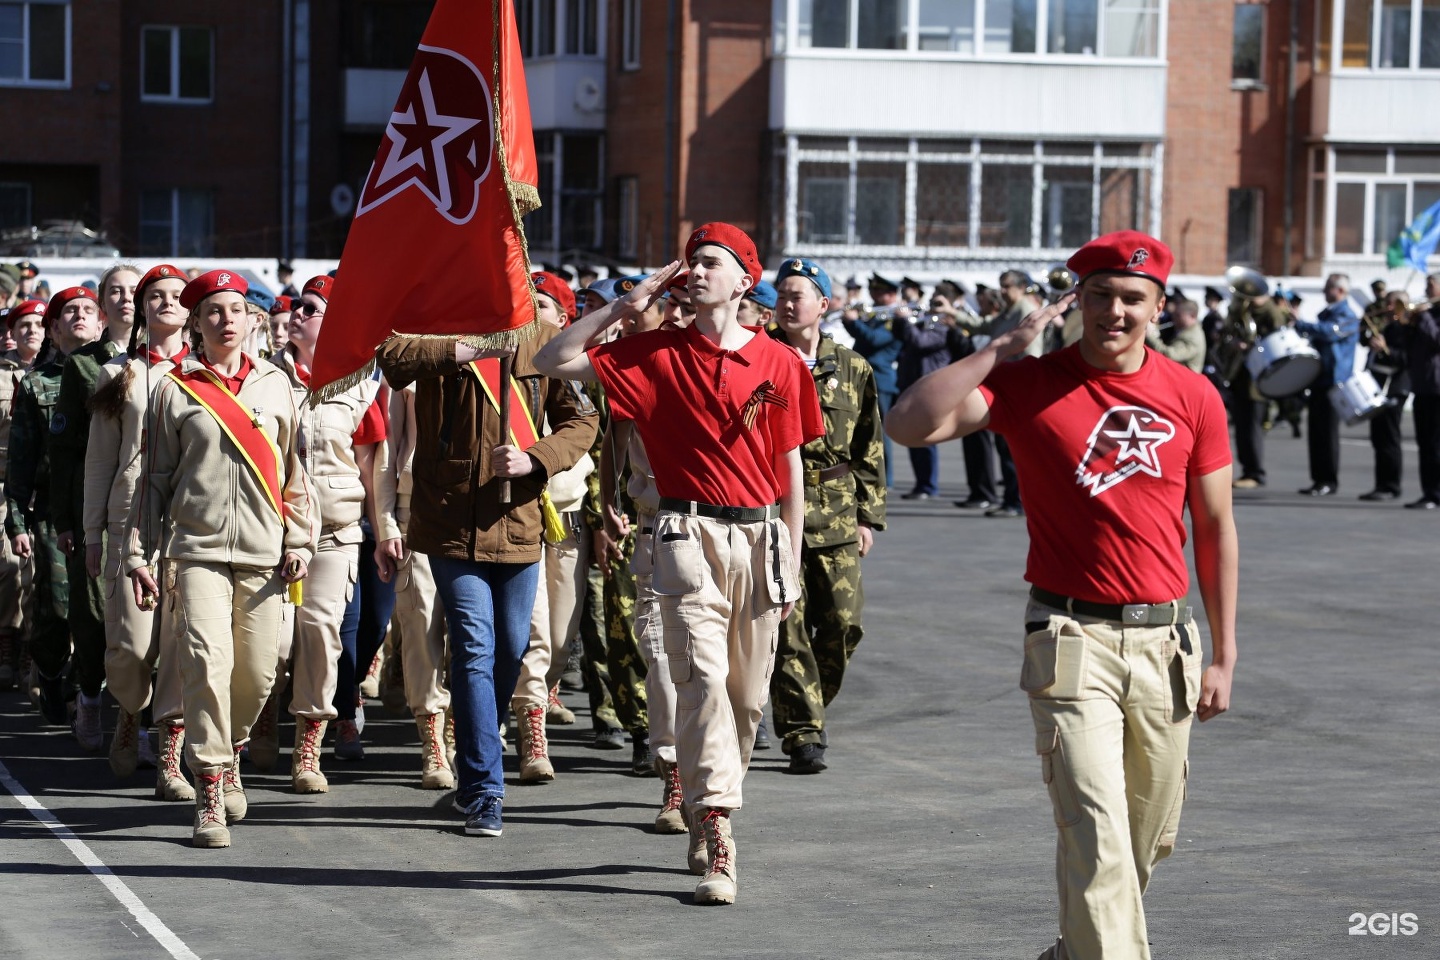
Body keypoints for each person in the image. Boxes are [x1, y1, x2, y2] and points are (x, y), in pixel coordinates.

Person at [886, 230, 1236, 960]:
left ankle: (1075, 952)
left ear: (1159, 307)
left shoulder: (1192, 394)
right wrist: (997, 351)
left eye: (1132, 299)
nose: (1115, 312)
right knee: (1097, 829)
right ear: (1076, 301)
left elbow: (1214, 526)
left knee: (1145, 836)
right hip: (1070, 641)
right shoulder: (1028, 385)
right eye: (1100, 296)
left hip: (1168, 642)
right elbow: (908, 423)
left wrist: (1224, 654)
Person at [535, 222, 823, 907]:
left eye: (711, 264)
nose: (695, 273)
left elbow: (791, 473)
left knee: (749, 699)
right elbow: (554, 358)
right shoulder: (653, 353)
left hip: (758, 540)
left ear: (744, 280)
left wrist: (791, 555)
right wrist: (624, 308)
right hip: (684, 531)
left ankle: (704, 797)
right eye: (690, 264)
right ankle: (719, 826)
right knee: (700, 679)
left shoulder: (781, 362)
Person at [375, 293, 598, 839]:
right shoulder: (433, 327)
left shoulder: (543, 341)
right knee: (473, 647)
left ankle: (477, 741)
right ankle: (483, 789)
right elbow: (393, 357)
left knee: (511, 648)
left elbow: (582, 420)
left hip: (519, 519)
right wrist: (470, 348)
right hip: (450, 521)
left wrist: (535, 458)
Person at [126, 269, 317, 848]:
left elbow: (295, 470)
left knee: (259, 673)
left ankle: (229, 752)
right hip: (195, 550)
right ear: (196, 321)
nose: (225, 320)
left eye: (236, 310)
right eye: (212, 311)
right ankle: (210, 786)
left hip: (264, 554)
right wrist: (138, 554)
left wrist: (301, 539)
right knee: (206, 663)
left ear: (252, 319)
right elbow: (152, 481)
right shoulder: (173, 387)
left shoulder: (278, 385)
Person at [769, 257, 885, 774]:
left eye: (800, 294)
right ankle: (803, 732)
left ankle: (808, 704)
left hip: (836, 511)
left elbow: (870, 446)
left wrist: (867, 517)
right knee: (786, 626)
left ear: (825, 304)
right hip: (774, 507)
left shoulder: (852, 366)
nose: (789, 303)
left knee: (842, 624)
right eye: (782, 294)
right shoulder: (761, 357)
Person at [273, 274, 386, 786]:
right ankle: (253, 727)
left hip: (334, 532)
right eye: (296, 305)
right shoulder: (265, 379)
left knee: (321, 636)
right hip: (270, 532)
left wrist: (385, 531)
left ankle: (307, 748)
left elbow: (372, 468)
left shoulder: (361, 383)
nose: (297, 313)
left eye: (310, 308)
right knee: (273, 647)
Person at [84, 264, 193, 794]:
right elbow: (100, 461)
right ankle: (130, 710)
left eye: (177, 295)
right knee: (129, 642)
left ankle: (170, 753)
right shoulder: (117, 374)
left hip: (189, 521)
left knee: (179, 640)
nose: (167, 303)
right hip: (129, 522)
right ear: (142, 308)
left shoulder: (206, 375)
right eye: (156, 296)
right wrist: (91, 533)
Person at [510, 271, 601, 782]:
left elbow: (587, 432)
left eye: (543, 305)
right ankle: (527, 732)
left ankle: (535, 703)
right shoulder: (502, 359)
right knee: (529, 632)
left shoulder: (571, 370)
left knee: (560, 637)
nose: (535, 312)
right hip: (515, 519)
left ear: (564, 319)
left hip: (564, 523)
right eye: (530, 301)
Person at [50, 264, 142, 750]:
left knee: (144, 618)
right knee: (90, 615)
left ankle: (139, 719)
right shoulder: (83, 365)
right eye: (116, 292)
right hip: (97, 506)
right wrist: (66, 521)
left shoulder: (164, 360)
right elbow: (65, 453)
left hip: (149, 507)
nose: (127, 298)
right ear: (104, 304)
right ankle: (89, 697)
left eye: (134, 290)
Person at [6, 288, 104, 725]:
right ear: (54, 327)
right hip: (50, 510)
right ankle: (50, 671)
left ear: (101, 324)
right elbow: (22, 459)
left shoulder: (117, 374)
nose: (80, 316)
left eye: (88, 310)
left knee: (97, 608)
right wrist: (17, 521)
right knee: (57, 606)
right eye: (70, 311)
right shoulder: (36, 383)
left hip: (103, 507)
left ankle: (87, 686)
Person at [374, 377, 456, 789]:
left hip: (474, 517)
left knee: (472, 636)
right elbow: (388, 451)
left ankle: (463, 731)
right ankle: (433, 743)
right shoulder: (409, 368)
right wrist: (387, 522)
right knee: (422, 628)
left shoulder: (495, 352)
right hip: (415, 515)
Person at [0, 299, 45, 693]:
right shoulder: (0, 376)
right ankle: (8, 646)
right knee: (10, 567)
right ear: (11, 333)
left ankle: (35, 650)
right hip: (3, 486)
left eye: (38, 323)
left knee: (39, 574)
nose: (32, 330)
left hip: (43, 487)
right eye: (23, 324)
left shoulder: (54, 374)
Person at [1293, 274, 1359, 496]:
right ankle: (1318, 479)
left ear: (1339, 290)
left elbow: (1330, 333)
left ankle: (1329, 480)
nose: (1323, 292)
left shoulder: (1348, 315)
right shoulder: (1329, 314)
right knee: (1316, 432)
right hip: (1320, 378)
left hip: (1334, 380)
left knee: (1328, 434)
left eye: (1328, 288)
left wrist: (1300, 322)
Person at [895, 293, 959, 499]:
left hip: (930, 387)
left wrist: (906, 320)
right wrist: (900, 319)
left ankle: (929, 485)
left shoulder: (942, 326)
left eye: (939, 304)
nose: (933, 308)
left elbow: (921, 343)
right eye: (932, 304)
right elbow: (903, 338)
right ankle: (921, 483)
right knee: (914, 436)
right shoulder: (924, 323)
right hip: (913, 384)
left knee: (925, 437)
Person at [844, 274, 904, 488]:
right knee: (862, 429)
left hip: (880, 379)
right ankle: (866, 470)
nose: (874, 295)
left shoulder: (893, 319)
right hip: (865, 377)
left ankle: (884, 477)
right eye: (874, 291)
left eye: (880, 292)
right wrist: (851, 322)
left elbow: (874, 339)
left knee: (880, 432)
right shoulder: (876, 315)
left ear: (891, 294)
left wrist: (853, 322)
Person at [1222, 288, 1286, 488]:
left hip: (1256, 380)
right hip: (1241, 377)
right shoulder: (1244, 311)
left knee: (1251, 428)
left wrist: (1249, 344)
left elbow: (1277, 335)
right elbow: (1230, 327)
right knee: (1242, 427)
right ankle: (1247, 470)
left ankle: (1256, 472)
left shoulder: (1269, 310)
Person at [1358, 292, 1410, 501]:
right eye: (1388, 303)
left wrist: (1385, 348)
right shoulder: (1386, 324)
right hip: (1378, 385)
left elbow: (1407, 358)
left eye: (1394, 304)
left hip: (1395, 386)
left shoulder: (1406, 328)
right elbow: (1363, 339)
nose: (1389, 307)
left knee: (1389, 437)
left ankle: (1391, 485)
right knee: (1378, 436)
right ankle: (1381, 484)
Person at [1405, 274, 1440, 510]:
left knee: (1436, 444)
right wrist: (1409, 322)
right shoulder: (1424, 316)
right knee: (1425, 443)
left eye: (1431, 285)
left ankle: (1436, 493)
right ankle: (1428, 491)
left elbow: (1437, 339)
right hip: (1422, 386)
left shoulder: (1431, 315)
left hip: (1438, 388)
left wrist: (1424, 315)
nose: (1427, 290)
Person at [1145, 299, 1206, 372]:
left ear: (1192, 316)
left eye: (1178, 315)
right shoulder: (1186, 331)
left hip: (1184, 381)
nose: (1174, 318)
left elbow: (1169, 355)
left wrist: (1150, 336)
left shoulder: (1193, 337)